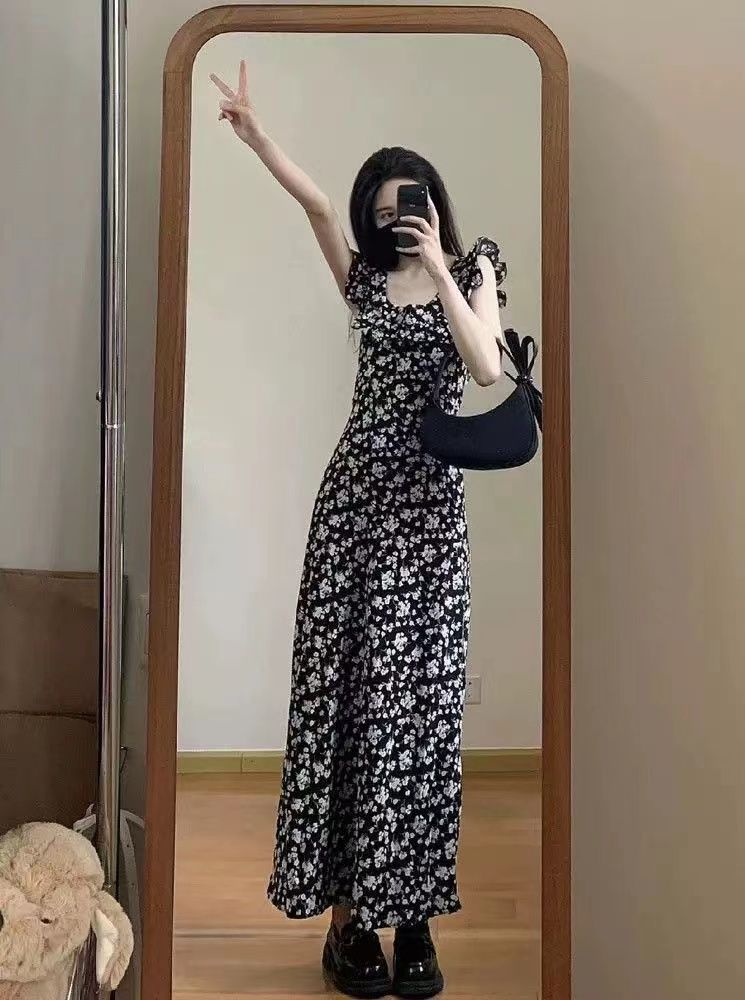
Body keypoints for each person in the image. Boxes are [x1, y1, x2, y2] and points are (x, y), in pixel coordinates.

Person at [211, 61, 507, 1000]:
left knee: (421, 714)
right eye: (382, 212)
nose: (395, 221)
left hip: (429, 520)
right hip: (353, 514)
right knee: (347, 707)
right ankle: (349, 925)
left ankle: (414, 917)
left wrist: (443, 269)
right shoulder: (365, 285)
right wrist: (258, 136)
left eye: (408, 205)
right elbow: (314, 208)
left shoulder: (476, 269)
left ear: (434, 204)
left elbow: (486, 367)